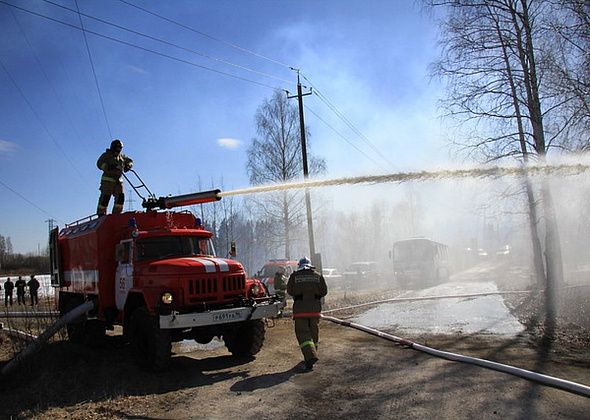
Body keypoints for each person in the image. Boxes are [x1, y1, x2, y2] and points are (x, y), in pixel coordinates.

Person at [287, 257, 328, 371]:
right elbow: (324, 291)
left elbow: (289, 291)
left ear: (299, 265)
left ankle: (310, 356)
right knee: (313, 332)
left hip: (300, 310)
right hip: (315, 309)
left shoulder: (294, 276)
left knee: (303, 333)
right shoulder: (318, 275)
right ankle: (312, 354)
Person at [96, 139, 133, 215]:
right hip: (107, 180)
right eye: (117, 148)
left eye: (120, 148)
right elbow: (99, 163)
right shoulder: (106, 155)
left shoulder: (121, 157)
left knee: (120, 197)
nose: (119, 150)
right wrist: (108, 167)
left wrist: (129, 165)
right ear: (113, 147)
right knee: (105, 198)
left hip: (118, 181)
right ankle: (101, 214)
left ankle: (116, 214)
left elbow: (130, 161)